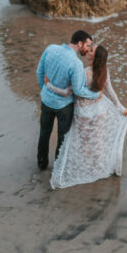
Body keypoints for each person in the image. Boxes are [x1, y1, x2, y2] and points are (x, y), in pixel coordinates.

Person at [44, 44, 127, 189]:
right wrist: (120, 107)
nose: (87, 51)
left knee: (85, 144)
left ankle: (88, 170)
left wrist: (49, 85)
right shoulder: (104, 71)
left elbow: (67, 93)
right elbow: (110, 91)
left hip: (83, 114)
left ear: (94, 57)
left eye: (91, 51)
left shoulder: (83, 73)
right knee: (97, 142)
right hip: (100, 111)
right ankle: (98, 168)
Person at [35, 30, 99, 170]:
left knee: (44, 132)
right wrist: (95, 94)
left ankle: (41, 163)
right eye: (87, 45)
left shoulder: (50, 48)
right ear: (80, 43)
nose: (88, 49)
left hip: (46, 101)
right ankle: (58, 168)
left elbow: (39, 72)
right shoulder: (76, 64)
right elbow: (78, 90)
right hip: (64, 107)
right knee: (62, 138)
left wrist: (44, 90)